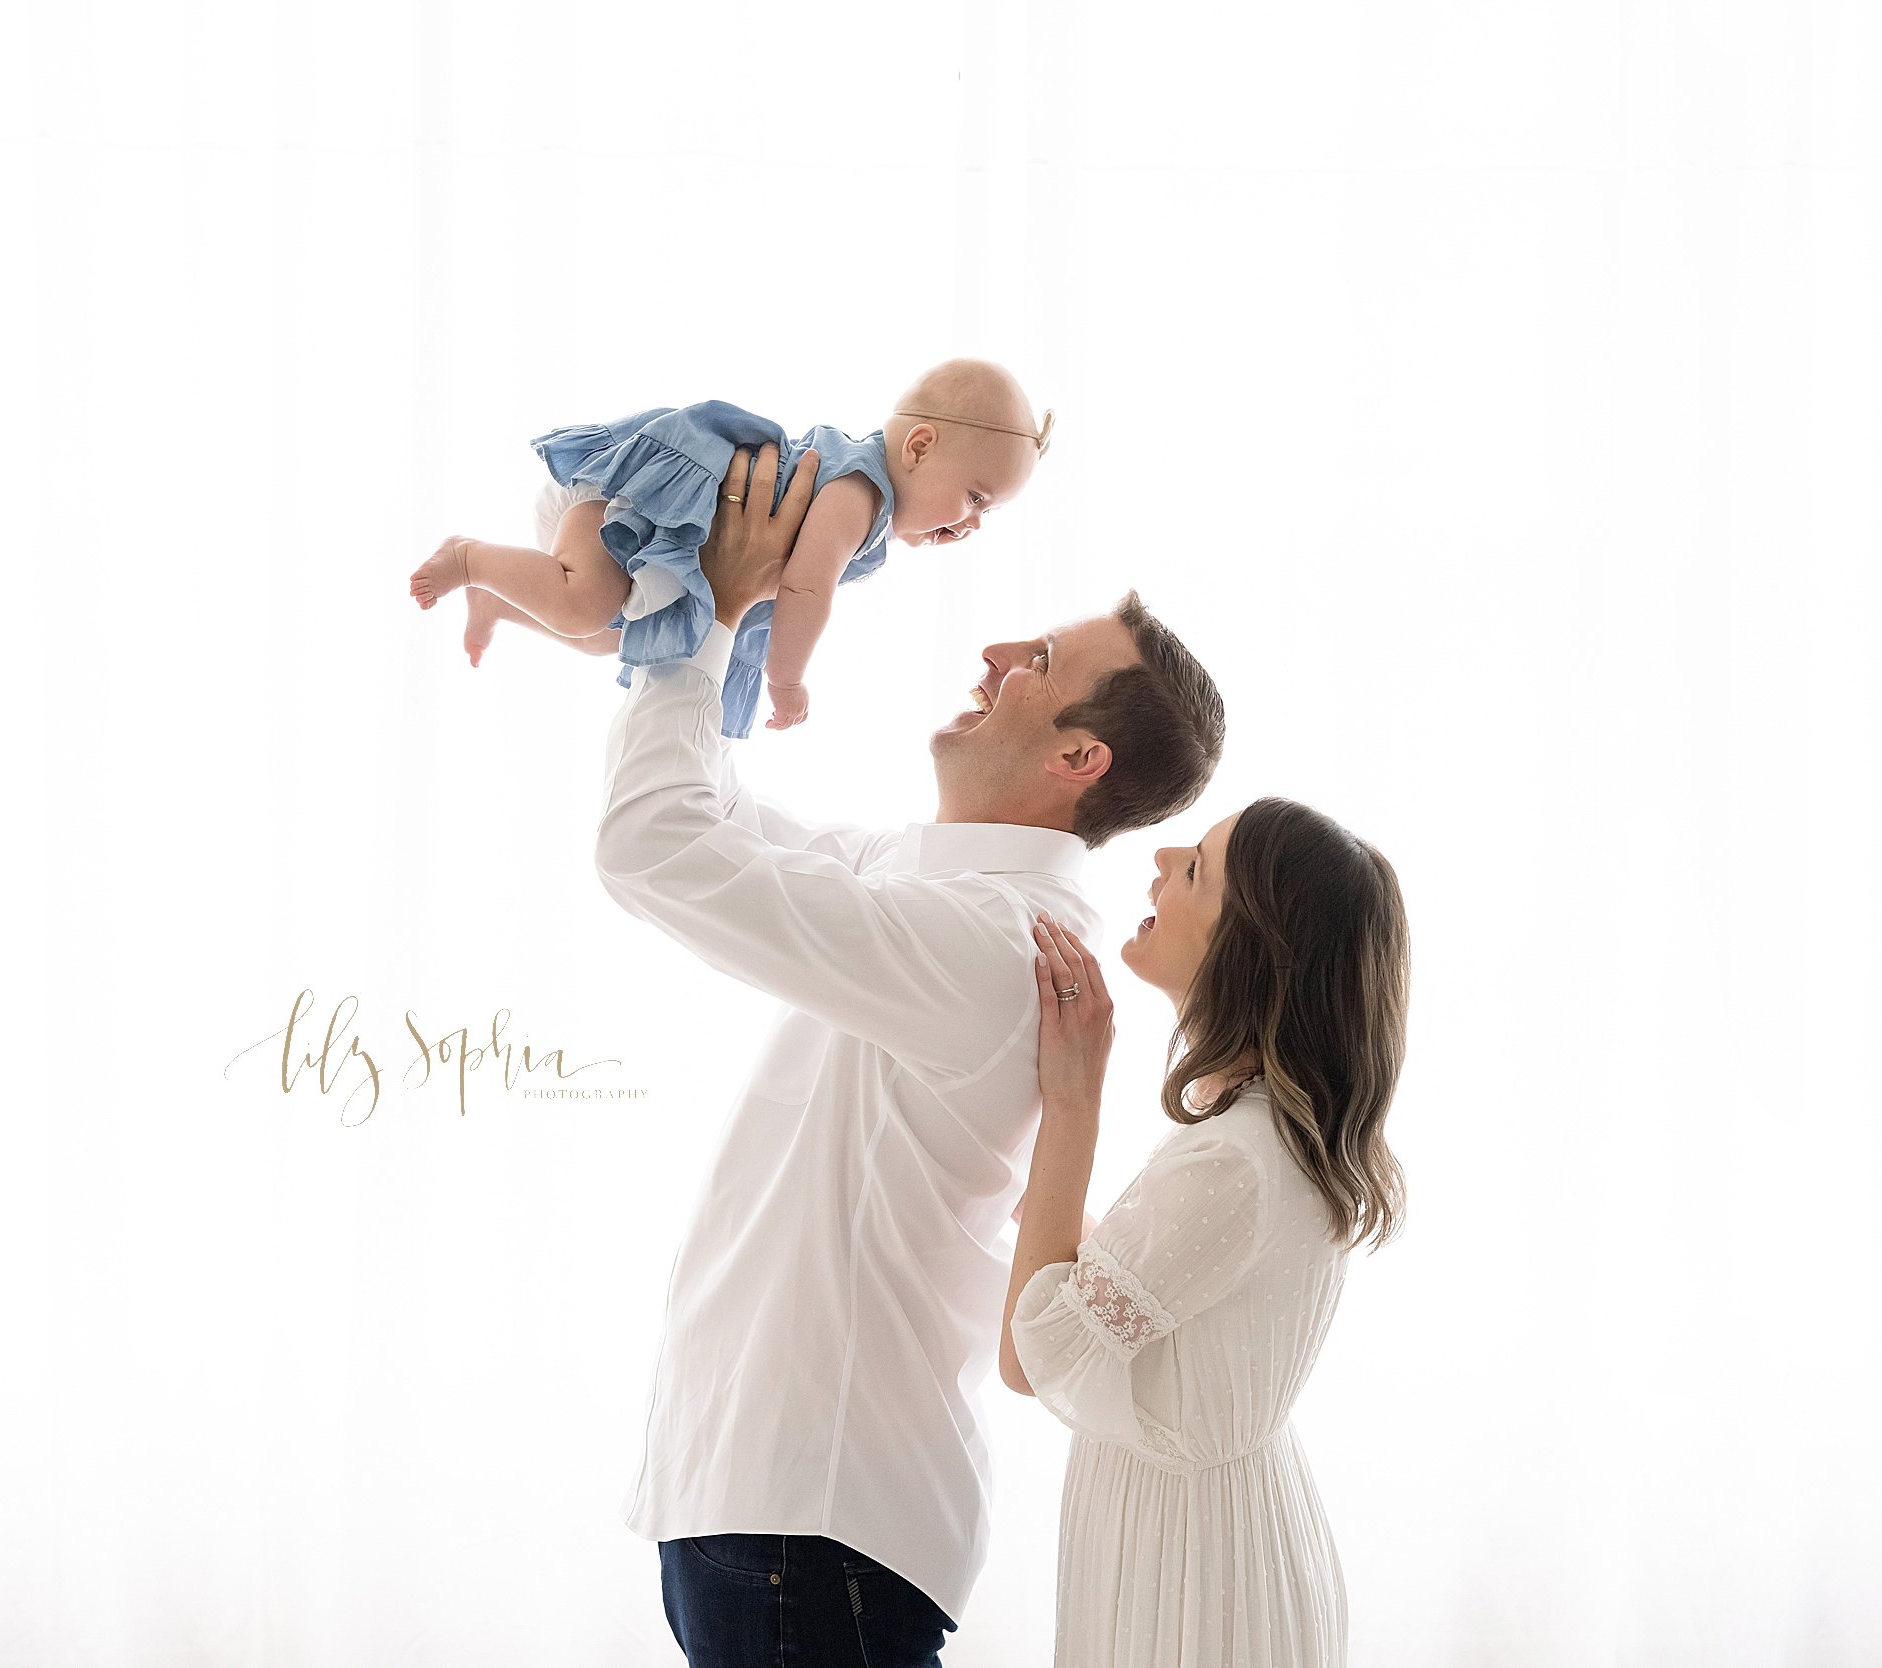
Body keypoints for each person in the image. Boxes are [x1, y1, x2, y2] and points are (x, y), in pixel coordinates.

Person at [583, 441, 1225, 1665]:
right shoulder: (926, 884)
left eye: (1037, 663)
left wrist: (711, 611)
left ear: (1078, 759)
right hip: (775, 1512)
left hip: (808, 1528)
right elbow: (706, 813)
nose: (991, 657)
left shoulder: (989, 942)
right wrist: (697, 598)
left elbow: (651, 847)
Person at [1002, 800, 1411, 1667]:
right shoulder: (1268, 1134)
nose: (1164, 853)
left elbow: (1030, 1357)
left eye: (1196, 869)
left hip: (1189, 1573)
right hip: (1223, 1534)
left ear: (1249, 954)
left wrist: (1072, 1101)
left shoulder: (1234, 1159)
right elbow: (1151, 1298)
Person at [409, 358, 1050, 738]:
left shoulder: (869, 507)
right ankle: (467, 557)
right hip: (632, 502)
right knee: (584, 606)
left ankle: (499, 599)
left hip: (657, 545)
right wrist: (788, 680)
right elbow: (804, 587)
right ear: (918, 447)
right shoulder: (858, 491)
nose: (972, 524)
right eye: (975, 497)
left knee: (606, 632)